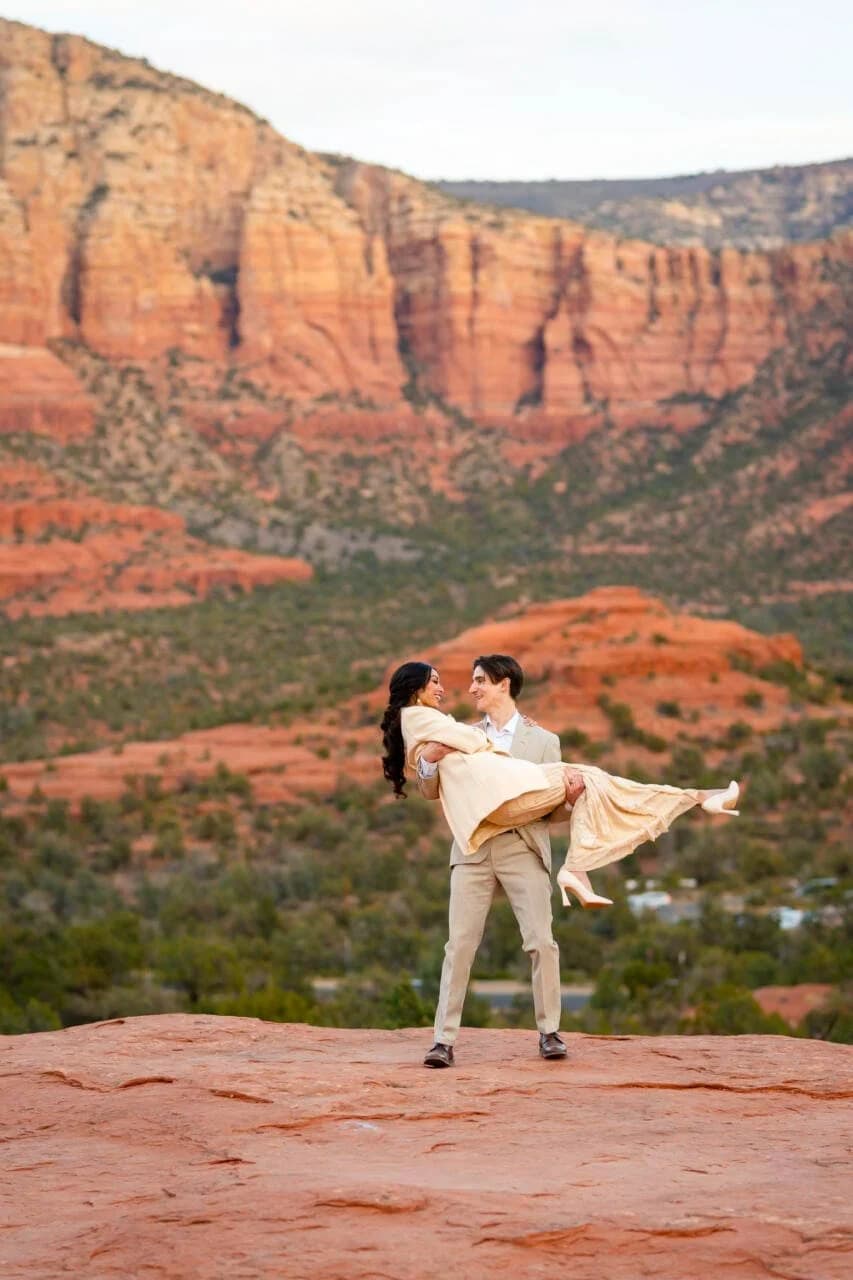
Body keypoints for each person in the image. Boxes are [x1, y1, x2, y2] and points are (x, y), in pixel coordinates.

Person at [380, 658, 740, 1067]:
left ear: (504, 684)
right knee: (459, 946)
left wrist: (570, 800)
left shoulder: (544, 741)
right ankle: (443, 1042)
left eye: (480, 681)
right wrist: (428, 760)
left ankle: (549, 1033)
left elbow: (552, 810)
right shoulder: (457, 731)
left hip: (524, 846)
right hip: (474, 850)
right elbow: (431, 789)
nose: (470, 689)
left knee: (542, 943)